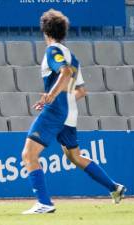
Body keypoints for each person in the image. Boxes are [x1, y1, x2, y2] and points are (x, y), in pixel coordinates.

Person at [21, 9, 126, 214]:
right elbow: (81, 91)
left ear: (45, 32)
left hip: (56, 111)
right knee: (75, 157)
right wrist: (59, 96)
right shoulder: (73, 57)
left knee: (28, 154)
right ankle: (115, 188)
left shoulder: (52, 51)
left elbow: (65, 73)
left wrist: (50, 96)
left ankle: (44, 203)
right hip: (69, 112)